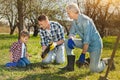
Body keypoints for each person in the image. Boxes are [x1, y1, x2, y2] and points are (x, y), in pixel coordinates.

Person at [61, 3, 115, 72]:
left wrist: (83, 54)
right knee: (66, 41)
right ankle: (70, 66)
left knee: (94, 69)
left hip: (95, 46)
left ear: (74, 12)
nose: (67, 15)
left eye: (68, 13)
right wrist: (71, 38)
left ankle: (105, 61)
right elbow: (72, 32)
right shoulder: (75, 21)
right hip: (84, 43)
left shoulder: (85, 21)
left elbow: (87, 40)